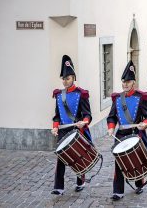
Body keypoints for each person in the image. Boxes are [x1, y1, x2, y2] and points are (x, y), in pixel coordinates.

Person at [107, 60, 147, 201]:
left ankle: (139, 183)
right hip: (121, 134)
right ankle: (118, 191)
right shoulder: (117, 98)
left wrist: (145, 123)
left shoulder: (141, 97)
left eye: (128, 81)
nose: (125, 84)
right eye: (123, 81)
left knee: (137, 160)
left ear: (133, 82)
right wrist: (110, 128)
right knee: (119, 161)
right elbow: (111, 117)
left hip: (135, 133)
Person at [51, 55, 93, 195]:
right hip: (63, 131)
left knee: (78, 156)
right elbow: (57, 115)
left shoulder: (81, 94)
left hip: (76, 130)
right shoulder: (58, 95)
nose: (65, 81)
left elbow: (88, 114)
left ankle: (80, 181)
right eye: (63, 78)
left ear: (73, 77)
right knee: (61, 157)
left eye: (67, 78)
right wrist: (55, 126)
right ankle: (58, 186)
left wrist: (84, 122)